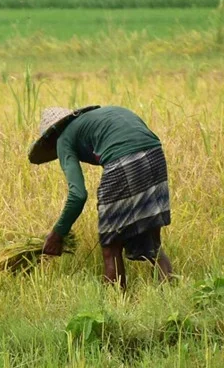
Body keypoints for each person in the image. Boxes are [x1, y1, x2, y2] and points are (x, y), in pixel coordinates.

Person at [29, 105, 173, 290]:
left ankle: (114, 308)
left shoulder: (63, 139)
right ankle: (170, 294)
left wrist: (57, 234)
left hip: (123, 160)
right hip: (155, 157)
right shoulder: (101, 116)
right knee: (152, 244)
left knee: (111, 245)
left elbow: (78, 195)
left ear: (50, 138)